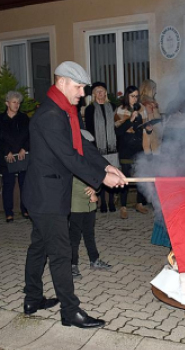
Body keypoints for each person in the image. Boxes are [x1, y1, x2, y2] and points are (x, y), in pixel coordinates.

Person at [22, 61, 126, 329]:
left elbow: (82, 146)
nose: (83, 93)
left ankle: (32, 299)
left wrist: (106, 165)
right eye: (79, 87)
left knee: (39, 247)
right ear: (62, 82)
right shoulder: (50, 115)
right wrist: (102, 178)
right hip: (47, 196)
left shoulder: (65, 111)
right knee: (60, 253)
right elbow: (69, 156)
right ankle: (70, 312)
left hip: (48, 193)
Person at [115, 85, 150, 219]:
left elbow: (144, 128)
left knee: (141, 174)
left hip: (139, 146)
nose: (135, 99)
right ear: (127, 96)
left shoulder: (141, 108)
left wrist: (149, 128)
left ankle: (139, 203)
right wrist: (130, 120)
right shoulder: (121, 109)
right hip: (125, 147)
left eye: (136, 96)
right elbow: (118, 131)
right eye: (132, 96)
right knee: (126, 177)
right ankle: (123, 206)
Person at [69, 175, 112, 279]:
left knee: (89, 235)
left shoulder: (87, 162)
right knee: (74, 238)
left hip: (90, 206)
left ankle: (94, 260)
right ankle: (72, 265)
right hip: (76, 206)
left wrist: (95, 190)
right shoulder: (71, 162)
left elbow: (98, 178)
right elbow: (73, 185)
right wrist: (91, 194)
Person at [85, 81, 117, 213]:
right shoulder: (90, 109)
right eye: (97, 91)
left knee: (113, 173)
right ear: (93, 94)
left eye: (102, 90)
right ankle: (103, 202)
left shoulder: (113, 107)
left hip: (113, 147)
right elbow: (89, 130)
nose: (100, 93)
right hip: (98, 147)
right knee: (101, 174)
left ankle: (111, 201)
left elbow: (116, 127)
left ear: (106, 93)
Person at [0, 91, 30, 222]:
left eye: (18, 102)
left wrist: (25, 148)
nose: (17, 105)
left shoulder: (24, 118)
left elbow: (30, 135)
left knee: (25, 184)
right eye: (14, 102)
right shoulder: (1, 119)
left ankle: (25, 209)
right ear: (7, 103)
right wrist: (7, 152)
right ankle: (9, 212)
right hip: (7, 157)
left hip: (22, 156)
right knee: (8, 184)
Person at [139, 79, 163, 156]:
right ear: (150, 89)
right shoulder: (148, 104)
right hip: (152, 134)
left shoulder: (143, 102)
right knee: (155, 157)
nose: (155, 92)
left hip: (152, 133)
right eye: (154, 89)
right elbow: (152, 120)